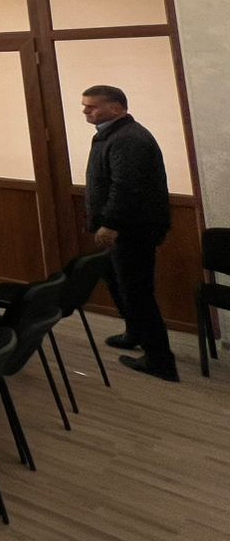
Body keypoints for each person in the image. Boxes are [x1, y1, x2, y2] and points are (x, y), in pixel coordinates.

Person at [82, 85, 177, 381]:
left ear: (115, 108)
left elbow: (126, 186)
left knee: (136, 292)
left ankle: (159, 359)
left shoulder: (128, 139)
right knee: (118, 282)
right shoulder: (112, 134)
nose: (85, 111)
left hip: (131, 229)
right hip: (124, 227)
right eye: (85, 106)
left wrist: (111, 223)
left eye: (92, 106)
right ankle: (134, 331)